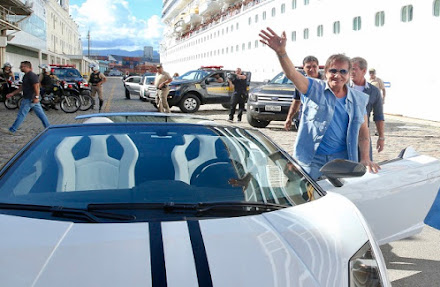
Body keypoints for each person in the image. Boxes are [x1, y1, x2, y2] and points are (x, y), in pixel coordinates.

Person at [259, 27, 380, 180]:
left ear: (349, 75)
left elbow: (363, 132)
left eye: (343, 71)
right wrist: (281, 52)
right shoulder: (314, 88)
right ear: (326, 72)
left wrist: (365, 158)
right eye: (333, 71)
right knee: (307, 196)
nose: (338, 75)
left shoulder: (358, 99)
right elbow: (292, 74)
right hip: (312, 159)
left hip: (342, 159)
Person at [1, 61, 50, 135]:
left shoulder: (32, 75)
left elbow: (36, 87)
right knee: (41, 114)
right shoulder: (26, 76)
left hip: (30, 98)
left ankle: (12, 129)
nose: (20, 67)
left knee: (21, 114)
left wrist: (36, 97)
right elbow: (22, 87)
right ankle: (48, 127)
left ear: (27, 67)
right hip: (31, 98)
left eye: (22, 66)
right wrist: (12, 93)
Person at [350, 57, 385, 159]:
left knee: (365, 166)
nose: (351, 72)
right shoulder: (343, 88)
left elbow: (378, 116)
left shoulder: (374, 91)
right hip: (342, 136)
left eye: (354, 69)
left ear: (364, 71)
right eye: (349, 69)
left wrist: (381, 137)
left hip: (363, 135)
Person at [284, 55, 322, 131]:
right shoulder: (301, 83)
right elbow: (296, 101)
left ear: (318, 67)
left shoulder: (325, 83)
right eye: (308, 67)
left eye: (314, 66)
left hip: (321, 121)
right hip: (304, 120)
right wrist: (289, 118)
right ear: (303, 68)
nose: (311, 69)